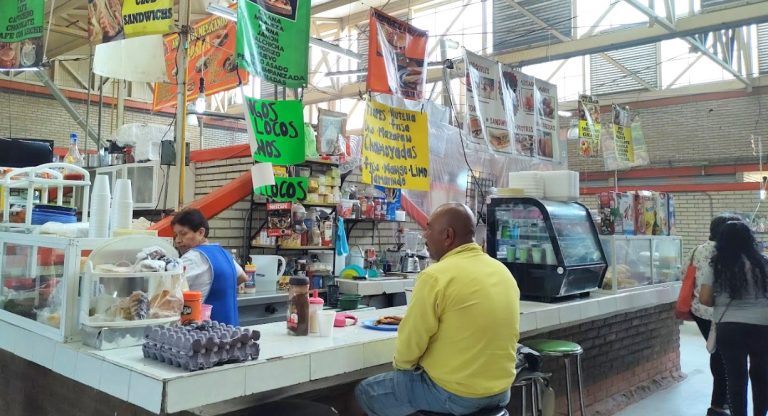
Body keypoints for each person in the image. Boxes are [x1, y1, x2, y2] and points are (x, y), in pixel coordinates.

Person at [355, 203, 520, 416]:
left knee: (364, 392)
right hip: (501, 391)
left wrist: (404, 367)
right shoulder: (502, 271)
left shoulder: (435, 276)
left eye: (429, 229)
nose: (425, 236)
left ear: (447, 235)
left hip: (455, 395)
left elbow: (410, 345)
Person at [700, 221, 768, 416]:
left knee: (736, 377)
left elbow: (705, 299)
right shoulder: (763, 263)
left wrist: (723, 300)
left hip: (729, 326)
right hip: (762, 324)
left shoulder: (716, 264)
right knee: (761, 374)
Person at [690, 214, 742, 416]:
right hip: (720, 312)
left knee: (717, 352)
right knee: (723, 357)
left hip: (699, 311)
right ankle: (718, 404)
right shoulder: (727, 253)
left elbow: (687, 273)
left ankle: (721, 401)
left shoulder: (698, 249)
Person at [171, 208, 247, 326]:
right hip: (230, 329)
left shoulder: (192, 258)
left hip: (203, 331)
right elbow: (243, 277)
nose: (178, 240)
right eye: (176, 235)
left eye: (183, 234)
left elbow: (170, 293)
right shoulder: (223, 253)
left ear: (201, 232)